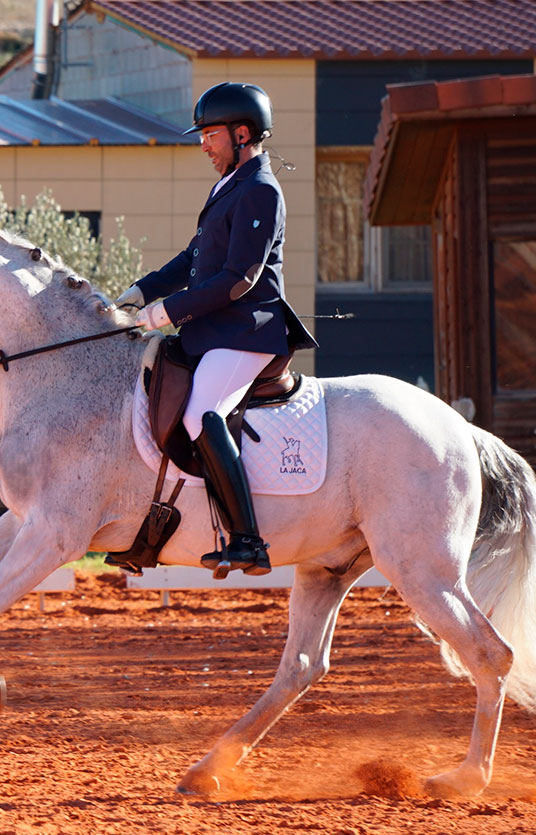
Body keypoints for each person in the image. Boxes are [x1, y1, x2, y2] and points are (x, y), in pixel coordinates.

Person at [114, 81, 317, 579]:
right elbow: (194, 258)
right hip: (213, 331)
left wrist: (167, 313)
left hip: (247, 331)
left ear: (242, 133)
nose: (202, 144)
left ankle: (249, 541)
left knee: (203, 416)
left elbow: (239, 278)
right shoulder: (229, 185)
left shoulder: (261, 190)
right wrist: (140, 291)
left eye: (209, 134)